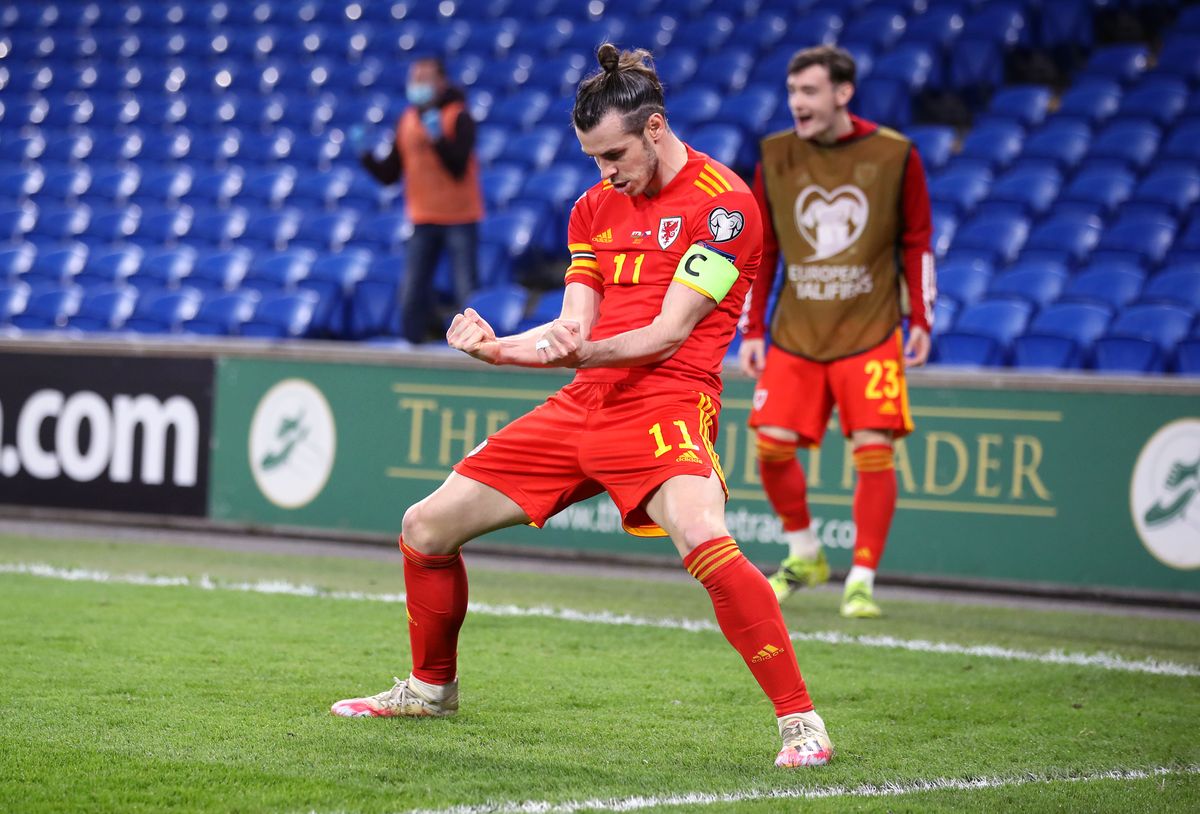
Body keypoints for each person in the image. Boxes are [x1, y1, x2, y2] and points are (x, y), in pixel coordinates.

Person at [332, 44, 835, 769]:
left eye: (614, 154)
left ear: (655, 127)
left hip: (668, 398)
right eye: (594, 158)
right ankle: (429, 687)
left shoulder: (724, 206)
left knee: (702, 537)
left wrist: (570, 354)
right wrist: (499, 348)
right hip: (585, 401)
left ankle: (801, 723)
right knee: (425, 527)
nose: (605, 171)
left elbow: (666, 332)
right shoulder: (593, 208)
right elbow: (574, 329)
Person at [738, 44, 935, 619]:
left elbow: (918, 240)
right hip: (796, 330)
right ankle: (805, 554)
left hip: (870, 329)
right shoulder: (774, 155)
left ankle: (863, 580)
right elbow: (764, 248)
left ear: (842, 93)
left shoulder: (895, 154)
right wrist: (753, 327)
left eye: (809, 92)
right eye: (792, 92)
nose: (797, 103)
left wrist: (920, 317)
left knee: (873, 450)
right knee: (770, 446)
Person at [359, 56, 483, 344]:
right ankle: (413, 347)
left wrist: (437, 137)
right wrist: (365, 156)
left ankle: (478, 351)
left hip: (460, 219)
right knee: (412, 291)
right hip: (422, 218)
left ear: (441, 82)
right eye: (415, 79)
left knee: (467, 293)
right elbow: (390, 173)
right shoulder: (407, 119)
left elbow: (458, 166)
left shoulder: (458, 116)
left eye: (425, 79)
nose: (418, 85)